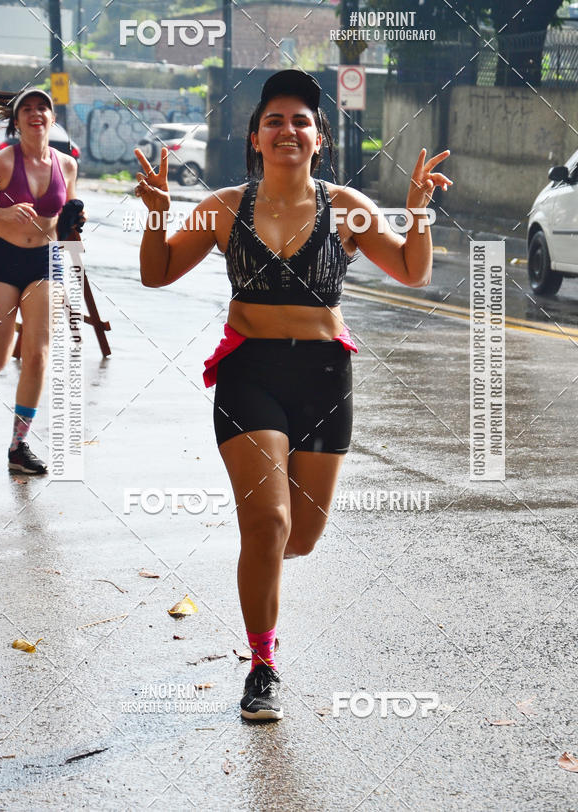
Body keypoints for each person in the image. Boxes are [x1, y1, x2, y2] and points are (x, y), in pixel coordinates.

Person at [135, 70, 452, 721]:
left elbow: (414, 270)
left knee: (300, 538)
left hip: (324, 382)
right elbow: (157, 271)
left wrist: (419, 210)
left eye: (301, 120)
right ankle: (262, 665)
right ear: (256, 137)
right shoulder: (225, 207)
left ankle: (259, 562)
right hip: (249, 374)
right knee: (270, 522)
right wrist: (158, 216)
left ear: (319, 137)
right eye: (274, 120)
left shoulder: (348, 206)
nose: (288, 130)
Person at [0, 84, 82, 474]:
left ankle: (18, 447)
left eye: (44, 108)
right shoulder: (5, 161)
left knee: (37, 354)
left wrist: (74, 218)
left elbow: (66, 214)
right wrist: (2, 214)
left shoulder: (67, 164)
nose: (36, 114)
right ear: (17, 122)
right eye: (28, 110)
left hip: (45, 261)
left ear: (52, 118)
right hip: (0, 261)